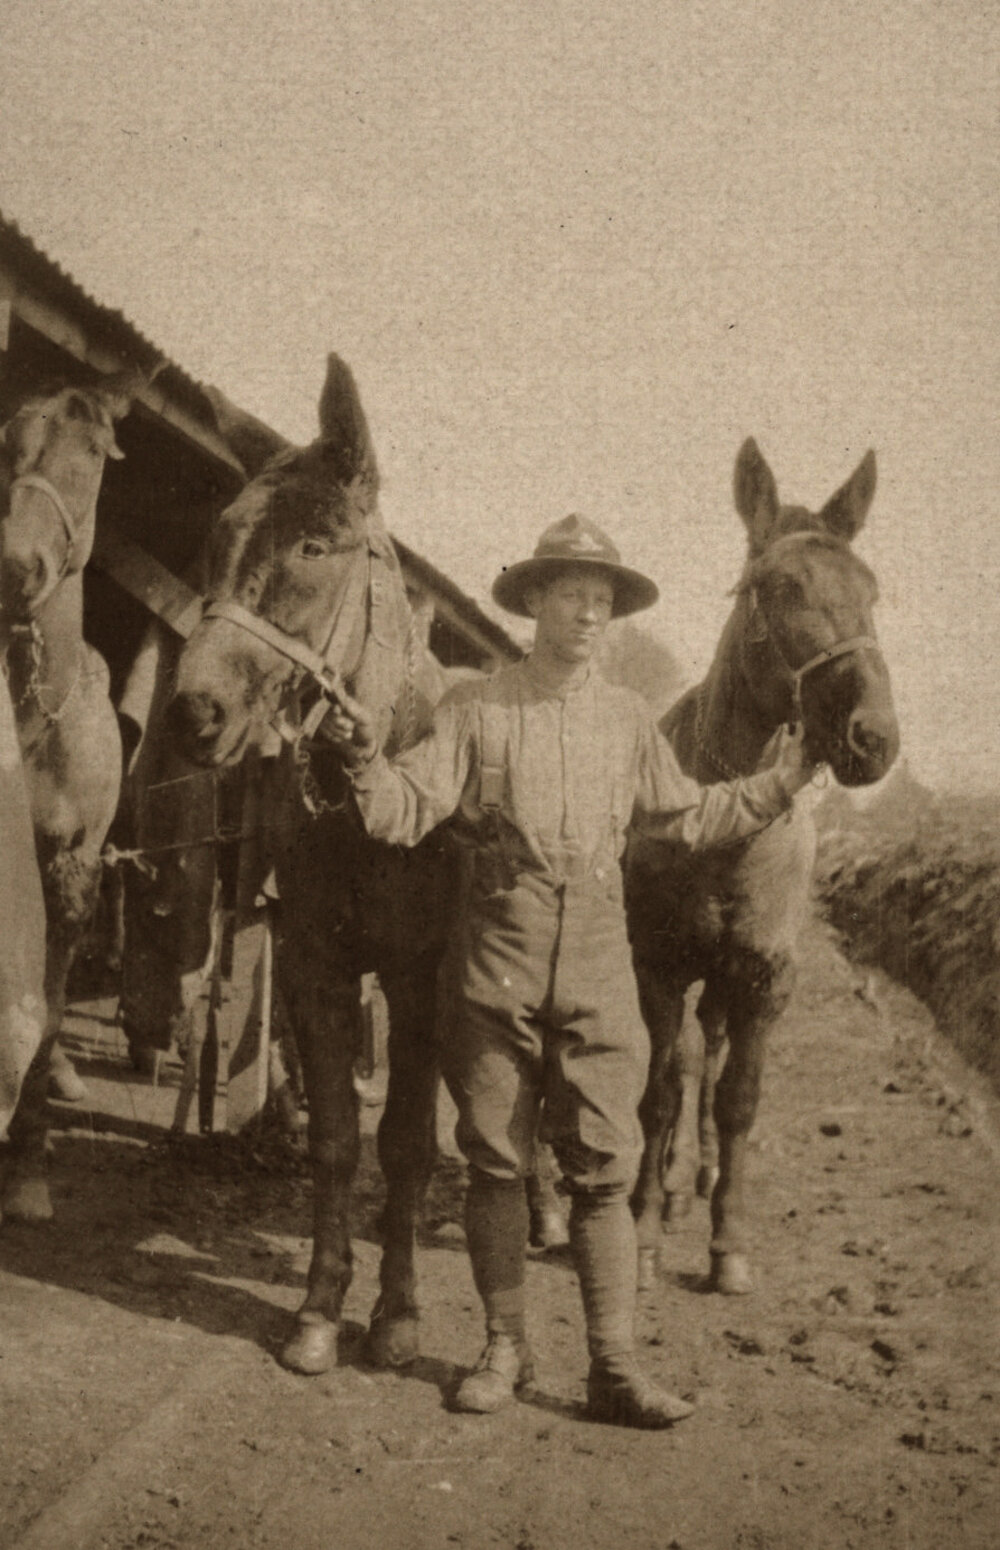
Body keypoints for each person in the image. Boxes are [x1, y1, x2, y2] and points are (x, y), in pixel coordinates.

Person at [324, 514, 817, 1429]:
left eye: (604, 600)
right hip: (495, 964)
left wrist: (781, 785)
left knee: (603, 1167)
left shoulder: (629, 721)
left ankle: (614, 1367)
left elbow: (688, 818)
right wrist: (361, 762)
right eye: (572, 595)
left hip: (598, 964)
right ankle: (502, 1349)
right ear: (535, 603)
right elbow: (407, 808)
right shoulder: (474, 708)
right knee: (497, 1163)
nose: (590, 614)